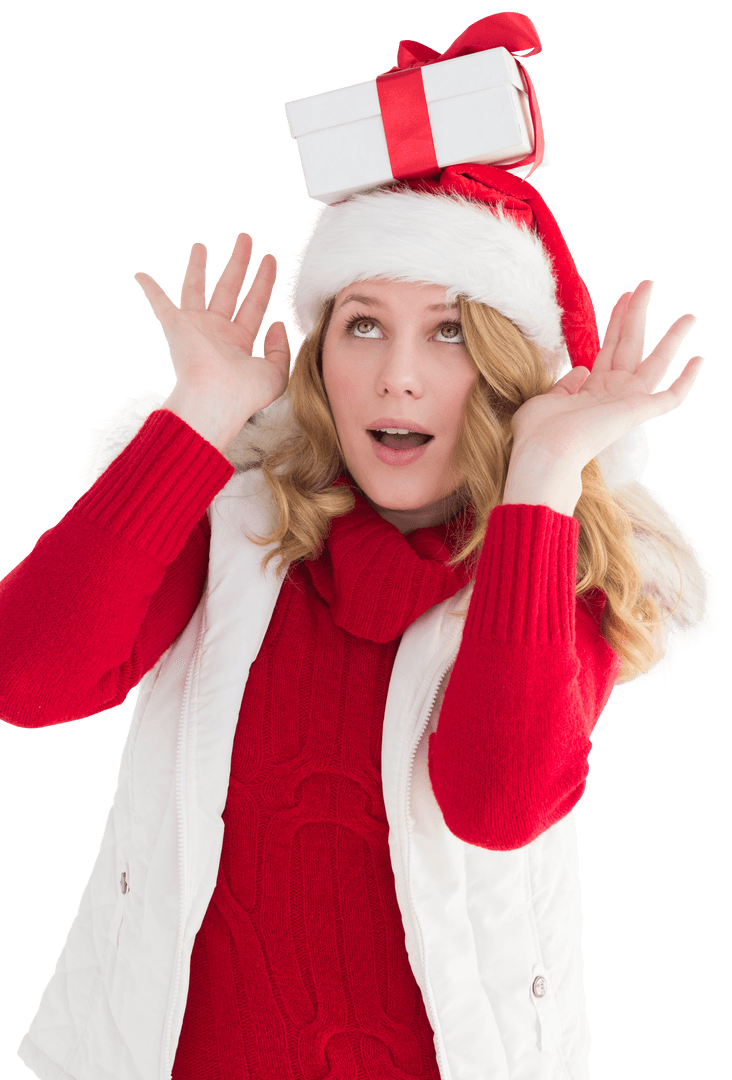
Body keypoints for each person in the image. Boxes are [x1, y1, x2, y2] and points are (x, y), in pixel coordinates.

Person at [2, 161, 716, 1079]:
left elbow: (497, 807)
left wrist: (542, 476)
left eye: (451, 332)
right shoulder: (233, 519)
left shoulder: (554, 574)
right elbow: (27, 680)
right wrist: (200, 414)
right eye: (364, 325)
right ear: (320, 358)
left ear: (512, 372)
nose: (397, 379)